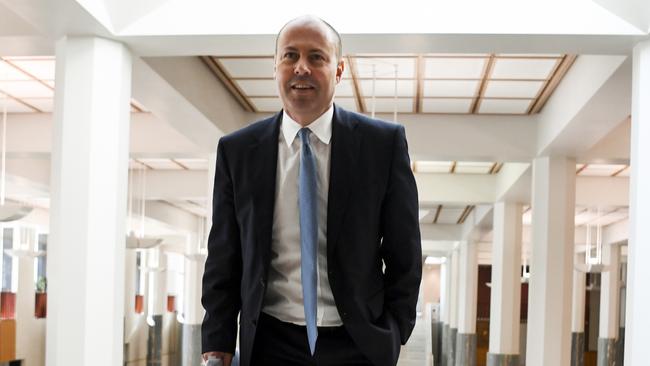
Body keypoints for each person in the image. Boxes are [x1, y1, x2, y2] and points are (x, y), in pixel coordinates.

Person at [201, 15, 422, 366]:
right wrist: (217, 342)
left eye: (316, 57)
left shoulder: (383, 145)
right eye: (290, 56)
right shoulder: (238, 151)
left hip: (357, 343)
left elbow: (404, 252)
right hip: (270, 342)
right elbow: (225, 256)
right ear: (275, 67)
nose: (301, 67)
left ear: (338, 70)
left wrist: (394, 332)